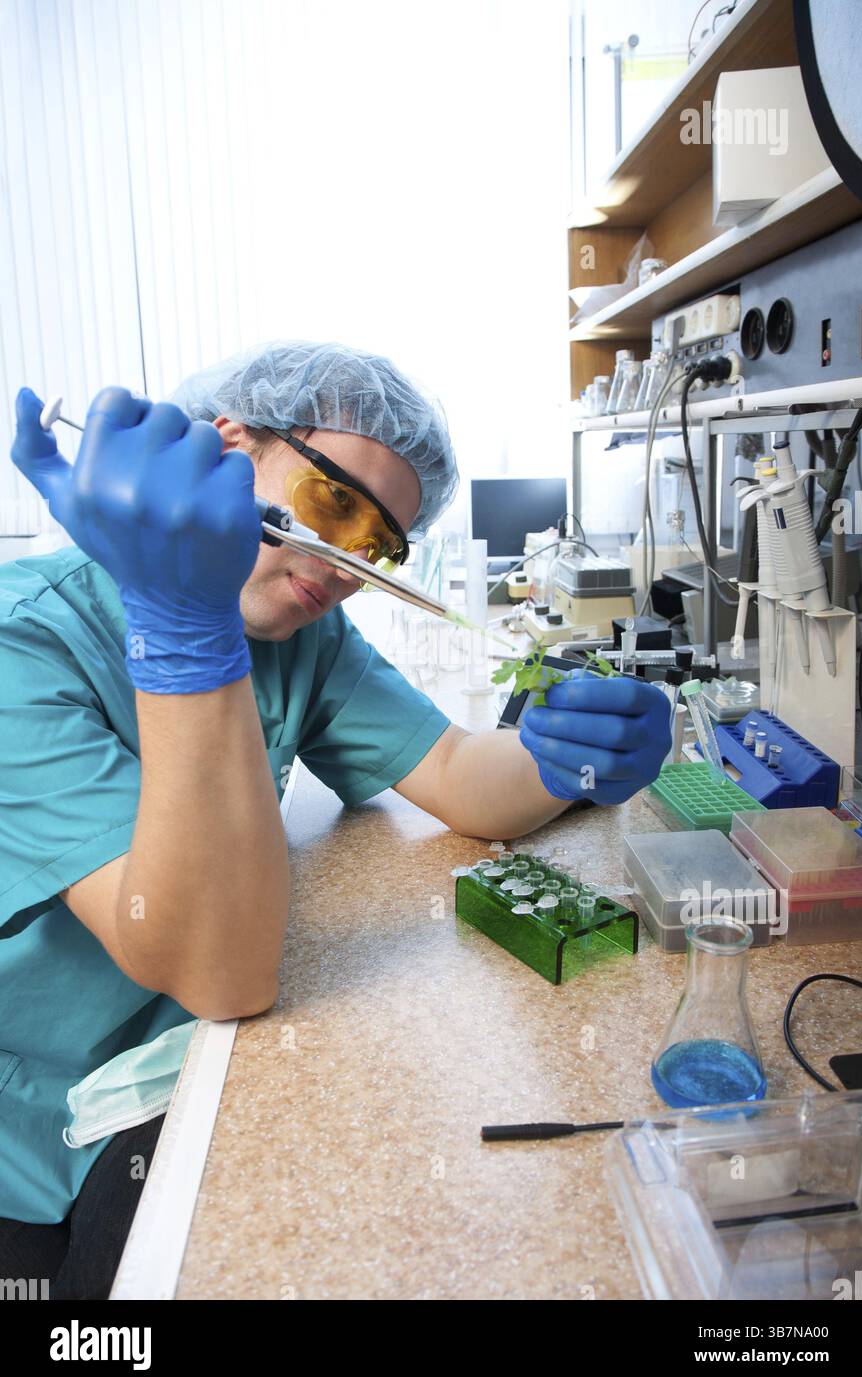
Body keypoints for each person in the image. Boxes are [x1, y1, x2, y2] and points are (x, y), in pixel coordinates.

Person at [0, 341, 670, 1297]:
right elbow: (218, 973)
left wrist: (565, 761)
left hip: (179, 1062)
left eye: (381, 544)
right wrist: (178, 628)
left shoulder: (297, 633)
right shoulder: (22, 644)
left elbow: (452, 772)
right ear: (228, 445)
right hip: (40, 1125)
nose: (348, 561)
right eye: (334, 505)